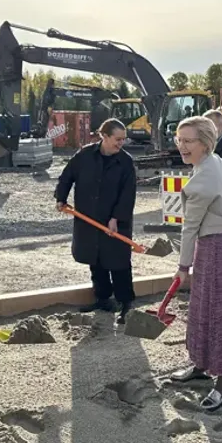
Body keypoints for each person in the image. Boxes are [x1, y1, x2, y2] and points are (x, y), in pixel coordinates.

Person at [168, 116, 222, 412]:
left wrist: (183, 267)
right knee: (202, 310)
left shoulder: (202, 180)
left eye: (189, 141)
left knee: (221, 315)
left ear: (205, 143)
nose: (182, 146)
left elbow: (189, 228)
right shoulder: (216, 162)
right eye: (179, 140)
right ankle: (200, 367)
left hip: (217, 250)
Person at [54, 118, 137, 324]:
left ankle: (125, 304)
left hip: (116, 222)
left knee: (118, 263)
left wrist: (116, 218)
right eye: (118, 139)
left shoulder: (125, 162)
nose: (121, 143)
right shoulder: (84, 156)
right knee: (96, 260)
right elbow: (66, 176)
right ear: (104, 136)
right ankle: (102, 299)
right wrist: (60, 198)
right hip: (89, 220)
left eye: (123, 140)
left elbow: (128, 194)